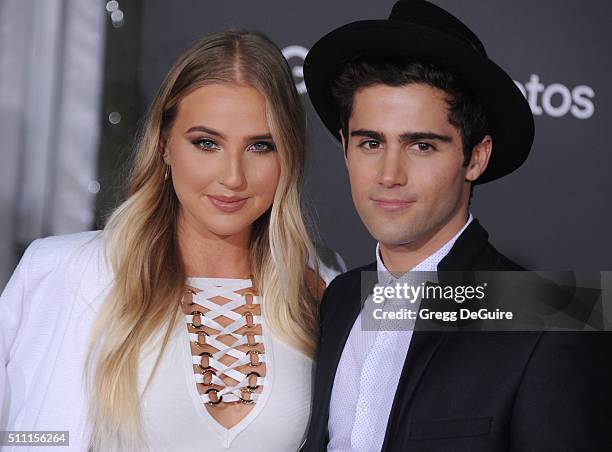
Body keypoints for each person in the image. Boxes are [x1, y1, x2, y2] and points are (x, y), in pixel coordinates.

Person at [0, 30, 344, 451]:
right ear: (164, 144)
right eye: (206, 143)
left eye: (259, 146)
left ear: (288, 155)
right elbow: (23, 436)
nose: (232, 176)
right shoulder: (65, 270)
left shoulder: (317, 290)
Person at [301, 1, 611, 450]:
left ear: (476, 157)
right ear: (345, 147)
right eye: (371, 142)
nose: (389, 174)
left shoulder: (553, 315)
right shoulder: (342, 299)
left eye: (422, 146)